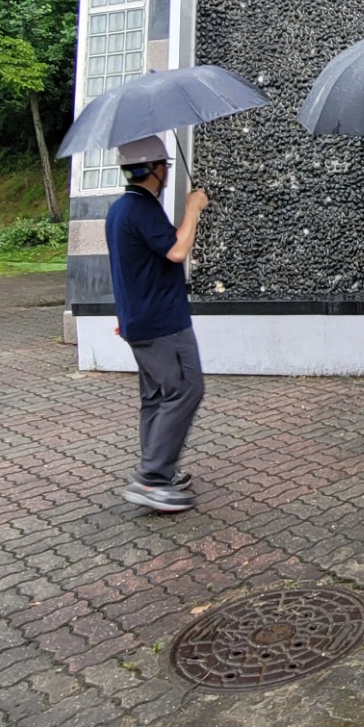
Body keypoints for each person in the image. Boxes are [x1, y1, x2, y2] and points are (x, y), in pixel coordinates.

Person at [104, 135, 211, 513]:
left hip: (138, 321)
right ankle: (151, 479)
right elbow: (178, 250)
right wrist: (193, 208)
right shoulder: (142, 209)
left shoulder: (120, 209)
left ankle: (159, 470)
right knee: (186, 390)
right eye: (164, 165)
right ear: (154, 170)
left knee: (156, 398)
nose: (166, 171)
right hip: (163, 324)